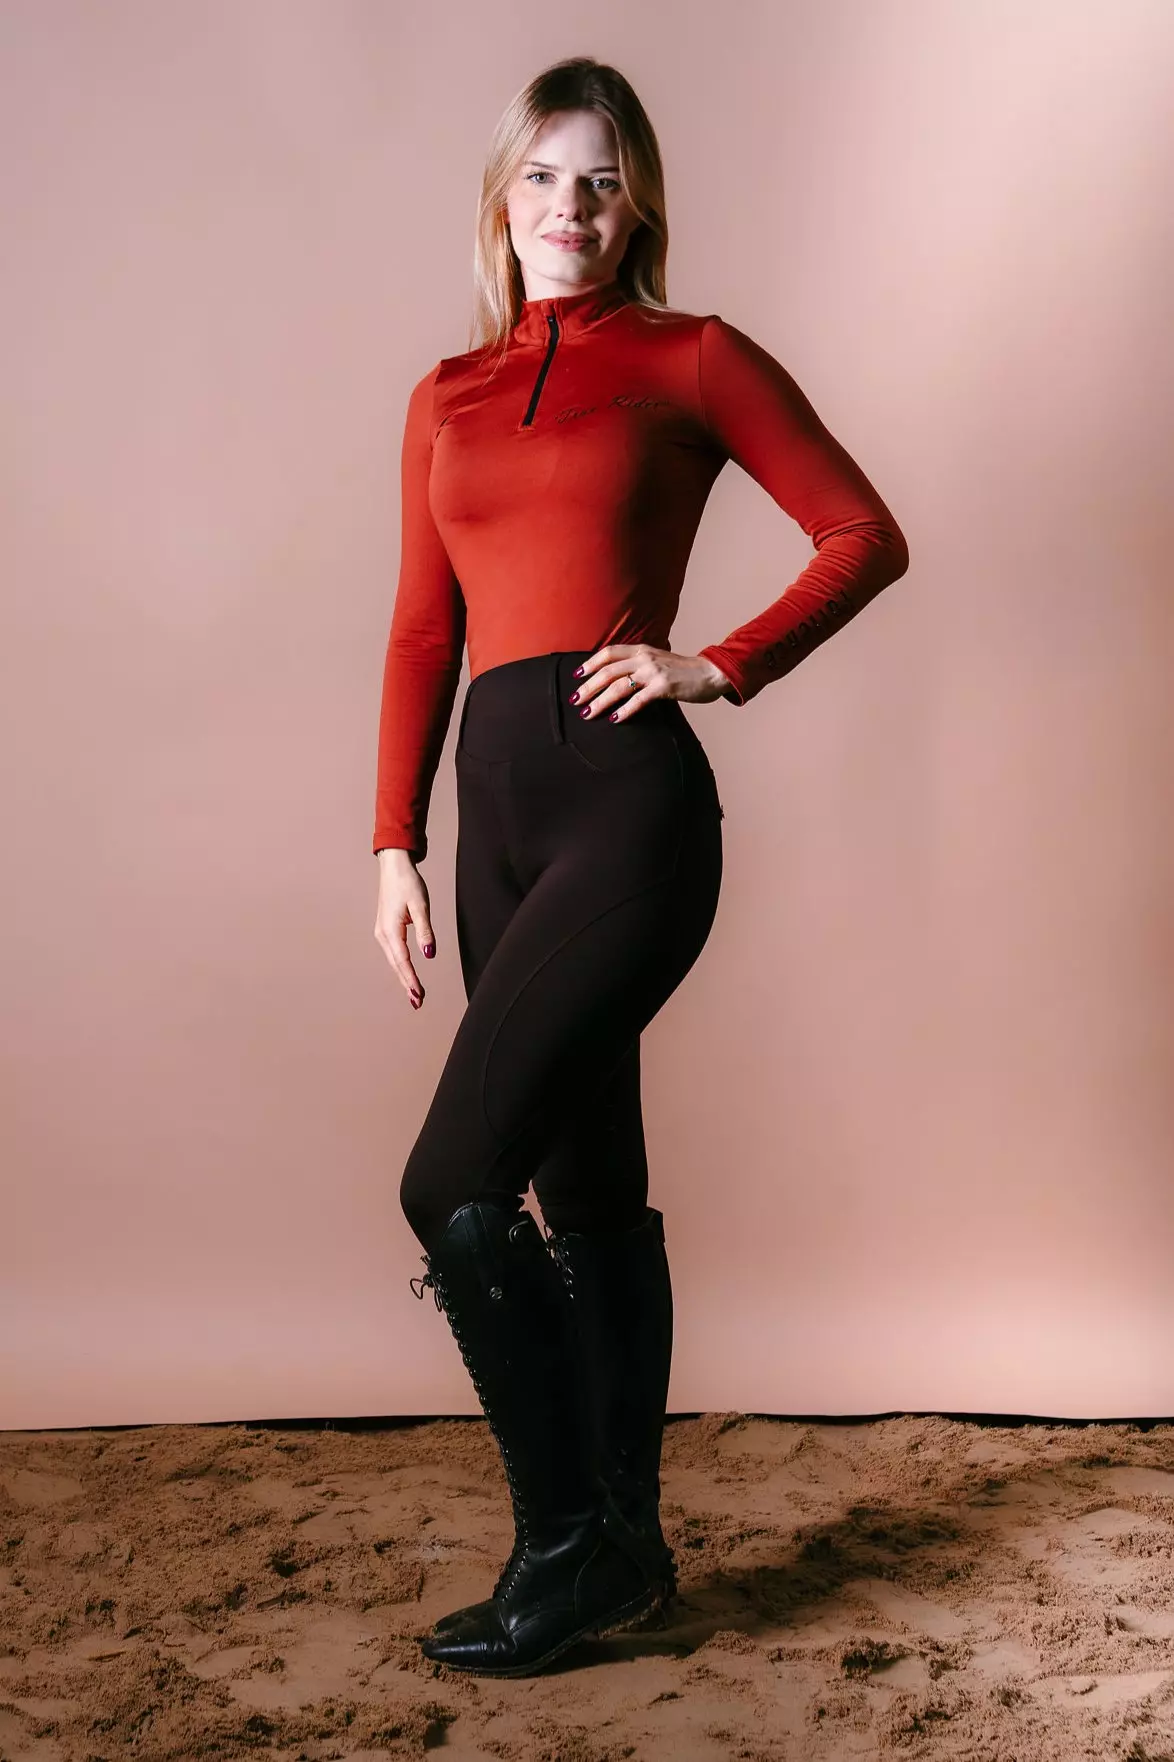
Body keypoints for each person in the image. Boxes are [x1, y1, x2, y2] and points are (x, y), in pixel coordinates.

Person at [371, 56, 909, 1678]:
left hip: (625, 808)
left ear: (637, 206)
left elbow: (861, 532)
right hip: (491, 816)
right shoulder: (445, 394)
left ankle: (565, 1542)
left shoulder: (690, 356)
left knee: (450, 1186)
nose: (570, 207)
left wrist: (716, 663)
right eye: (543, 177)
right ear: (501, 200)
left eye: (601, 181)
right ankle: (631, 1544)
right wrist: (391, 842)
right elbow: (421, 632)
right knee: (582, 1187)